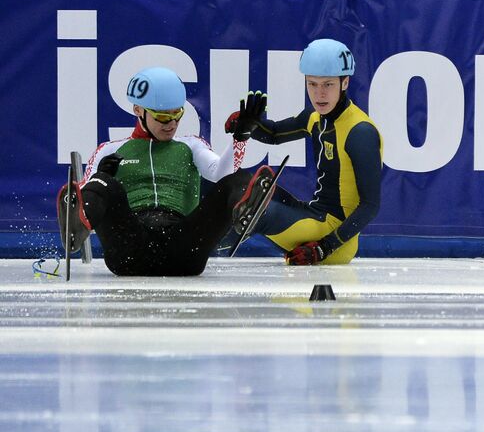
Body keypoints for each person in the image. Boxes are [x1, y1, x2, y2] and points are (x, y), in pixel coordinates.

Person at [57, 66, 274, 276]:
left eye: (177, 114)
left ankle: (246, 213)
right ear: (138, 110)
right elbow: (87, 190)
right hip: (130, 248)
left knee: (238, 178)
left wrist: (241, 138)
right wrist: (101, 178)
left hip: (183, 247)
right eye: (162, 116)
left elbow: (220, 174)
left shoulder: (191, 145)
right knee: (102, 184)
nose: (171, 123)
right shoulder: (109, 150)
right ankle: (77, 227)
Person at [225, 38, 383, 265]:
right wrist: (250, 126)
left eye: (328, 84)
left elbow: (370, 206)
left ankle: (202, 252)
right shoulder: (315, 118)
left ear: (345, 83)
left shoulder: (360, 132)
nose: (319, 94)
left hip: (335, 239)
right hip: (315, 214)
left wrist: (323, 247)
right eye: (312, 84)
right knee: (240, 190)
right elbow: (275, 133)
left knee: (253, 214)